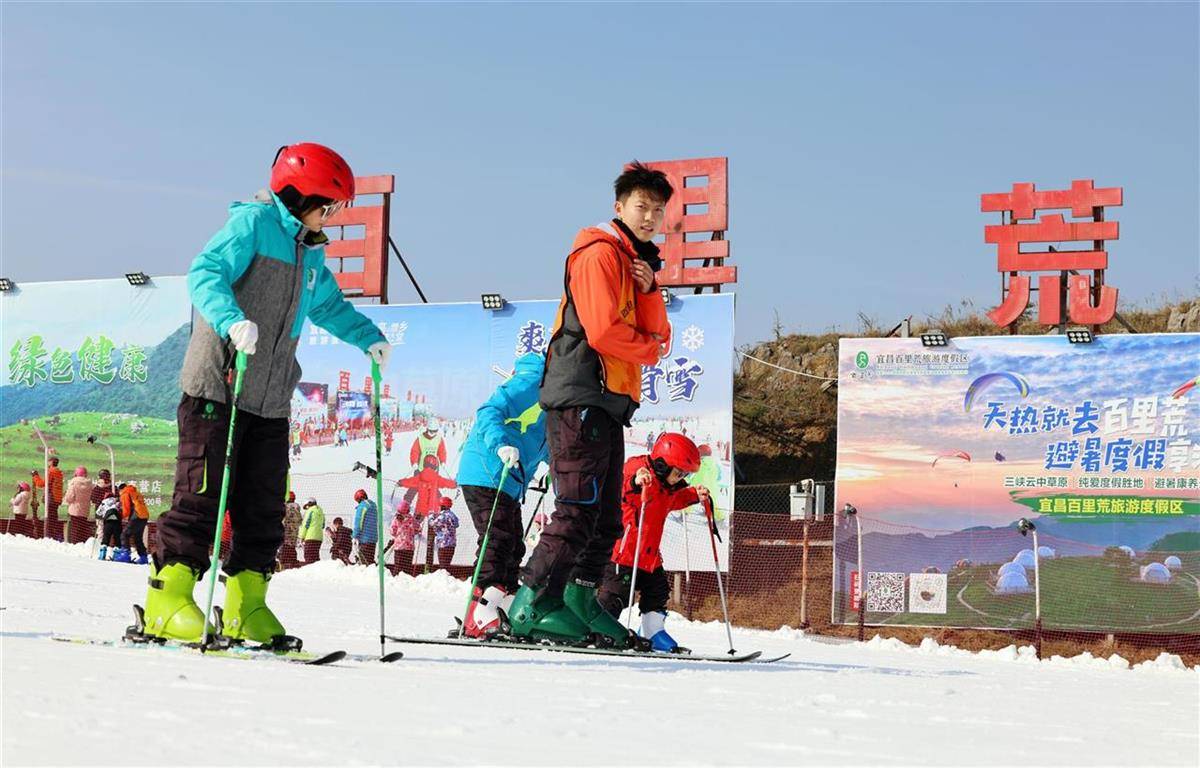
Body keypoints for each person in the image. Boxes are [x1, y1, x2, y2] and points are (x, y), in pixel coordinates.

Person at [139, 142, 391, 647]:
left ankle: (246, 605)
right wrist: (232, 322)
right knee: (202, 498)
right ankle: (167, 601)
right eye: (329, 205)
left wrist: (369, 338)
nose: (333, 216)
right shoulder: (252, 225)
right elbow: (205, 272)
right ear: (298, 196)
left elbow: (331, 308)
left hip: (271, 398)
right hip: (219, 387)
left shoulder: (311, 254)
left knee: (263, 507)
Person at [508, 162, 673, 646]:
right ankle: (531, 604)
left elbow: (659, 333)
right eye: (641, 206)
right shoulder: (599, 255)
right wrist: (650, 348)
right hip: (581, 392)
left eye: (658, 211)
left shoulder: (634, 264)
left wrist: (649, 291)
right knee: (577, 507)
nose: (649, 217)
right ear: (619, 207)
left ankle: (579, 601)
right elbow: (604, 332)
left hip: (608, 401)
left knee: (606, 517)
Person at [455, 352, 550, 637]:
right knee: (497, 539)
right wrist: (499, 444)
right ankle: (479, 611)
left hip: (509, 480)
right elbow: (489, 411)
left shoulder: (558, 398)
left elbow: (543, 442)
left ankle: (503, 605)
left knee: (512, 545)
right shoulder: (534, 379)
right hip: (487, 469)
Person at [597, 433, 706, 653]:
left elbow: (673, 501)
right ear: (663, 465)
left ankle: (653, 632)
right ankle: (601, 630)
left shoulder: (668, 487)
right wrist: (637, 480)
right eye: (679, 472)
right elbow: (624, 486)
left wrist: (694, 495)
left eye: (685, 474)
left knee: (657, 591)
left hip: (649, 556)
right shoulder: (638, 470)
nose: (681, 477)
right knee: (617, 594)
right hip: (625, 552)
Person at [117, 482, 150, 564]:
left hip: (136, 516)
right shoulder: (135, 492)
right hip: (144, 516)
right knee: (137, 537)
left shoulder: (125, 493)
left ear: (120, 490)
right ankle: (143, 557)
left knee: (124, 534)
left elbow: (126, 509)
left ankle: (125, 555)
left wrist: (120, 516)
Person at [63, 466, 95, 544]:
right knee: (82, 527)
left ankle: (74, 543)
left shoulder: (73, 483)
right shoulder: (90, 484)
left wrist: (66, 500)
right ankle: (82, 542)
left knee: (74, 528)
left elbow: (69, 497)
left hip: (74, 509)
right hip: (85, 509)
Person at [389, 500, 420, 575]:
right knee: (407, 567)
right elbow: (418, 529)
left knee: (398, 566)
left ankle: (396, 579)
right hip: (409, 547)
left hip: (399, 547)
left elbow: (392, 531)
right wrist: (412, 533)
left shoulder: (396, 519)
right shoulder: (412, 519)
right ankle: (407, 581)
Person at [350, 489, 379, 565]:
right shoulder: (373, 506)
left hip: (364, 539)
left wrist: (355, 536)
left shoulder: (362, 506)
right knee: (370, 560)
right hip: (373, 538)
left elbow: (358, 523)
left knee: (364, 563)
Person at [431, 496, 459, 568]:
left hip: (443, 544)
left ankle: (445, 577)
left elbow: (432, 523)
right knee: (447, 564)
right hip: (452, 544)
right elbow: (456, 524)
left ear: (442, 506)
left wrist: (431, 516)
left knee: (443, 566)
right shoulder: (452, 515)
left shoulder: (442, 516)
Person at [96, 491, 122, 560]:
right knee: (117, 538)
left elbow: (98, 512)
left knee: (106, 537)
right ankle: (117, 556)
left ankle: (102, 554)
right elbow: (121, 509)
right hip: (117, 522)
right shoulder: (117, 502)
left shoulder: (103, 502)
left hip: (108, 522)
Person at [279, 491, 302, 570]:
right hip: (294, 532)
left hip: (285, 531)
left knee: (284, 548)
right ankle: (293, 564)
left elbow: (281, 519)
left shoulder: (284, 506)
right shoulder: (297, 507)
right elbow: (300, 520)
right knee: (292, 548)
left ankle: (283, 565)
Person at [298, 498, 325, 566]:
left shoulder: (310, 511)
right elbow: (323, 525)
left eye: (306, 506)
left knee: (309, 556)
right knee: (315, 557)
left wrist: (301, 537)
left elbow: (306, 525)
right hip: (319, 538)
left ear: (309, 504)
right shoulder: (321, 511)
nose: (306, 508)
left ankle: (310, 573)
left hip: (310, 537)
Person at [46, 456, 65, 541]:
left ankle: (50, 535)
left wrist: (35, 477)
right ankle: (56, 535)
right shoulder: (59, 472)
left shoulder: (51, 471)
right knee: (54, 516)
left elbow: (45, 483)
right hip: (57, 498)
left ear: (51, 462)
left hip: (52, 497)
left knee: (50, 517)